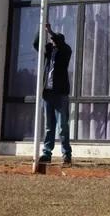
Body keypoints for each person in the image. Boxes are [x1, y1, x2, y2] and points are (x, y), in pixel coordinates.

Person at [35, 22, 73, 164]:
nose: (52, 41)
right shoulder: (49, 52)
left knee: (62, 126)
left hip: (60, 94)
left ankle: (66, 154)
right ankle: (47, 153)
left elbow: (60, 44)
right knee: (49, 126)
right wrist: (41, 29)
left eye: (54, 40)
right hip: (48, 94)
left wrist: (50, 31)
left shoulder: (65, 51)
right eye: (51, 40)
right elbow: (36, 44)